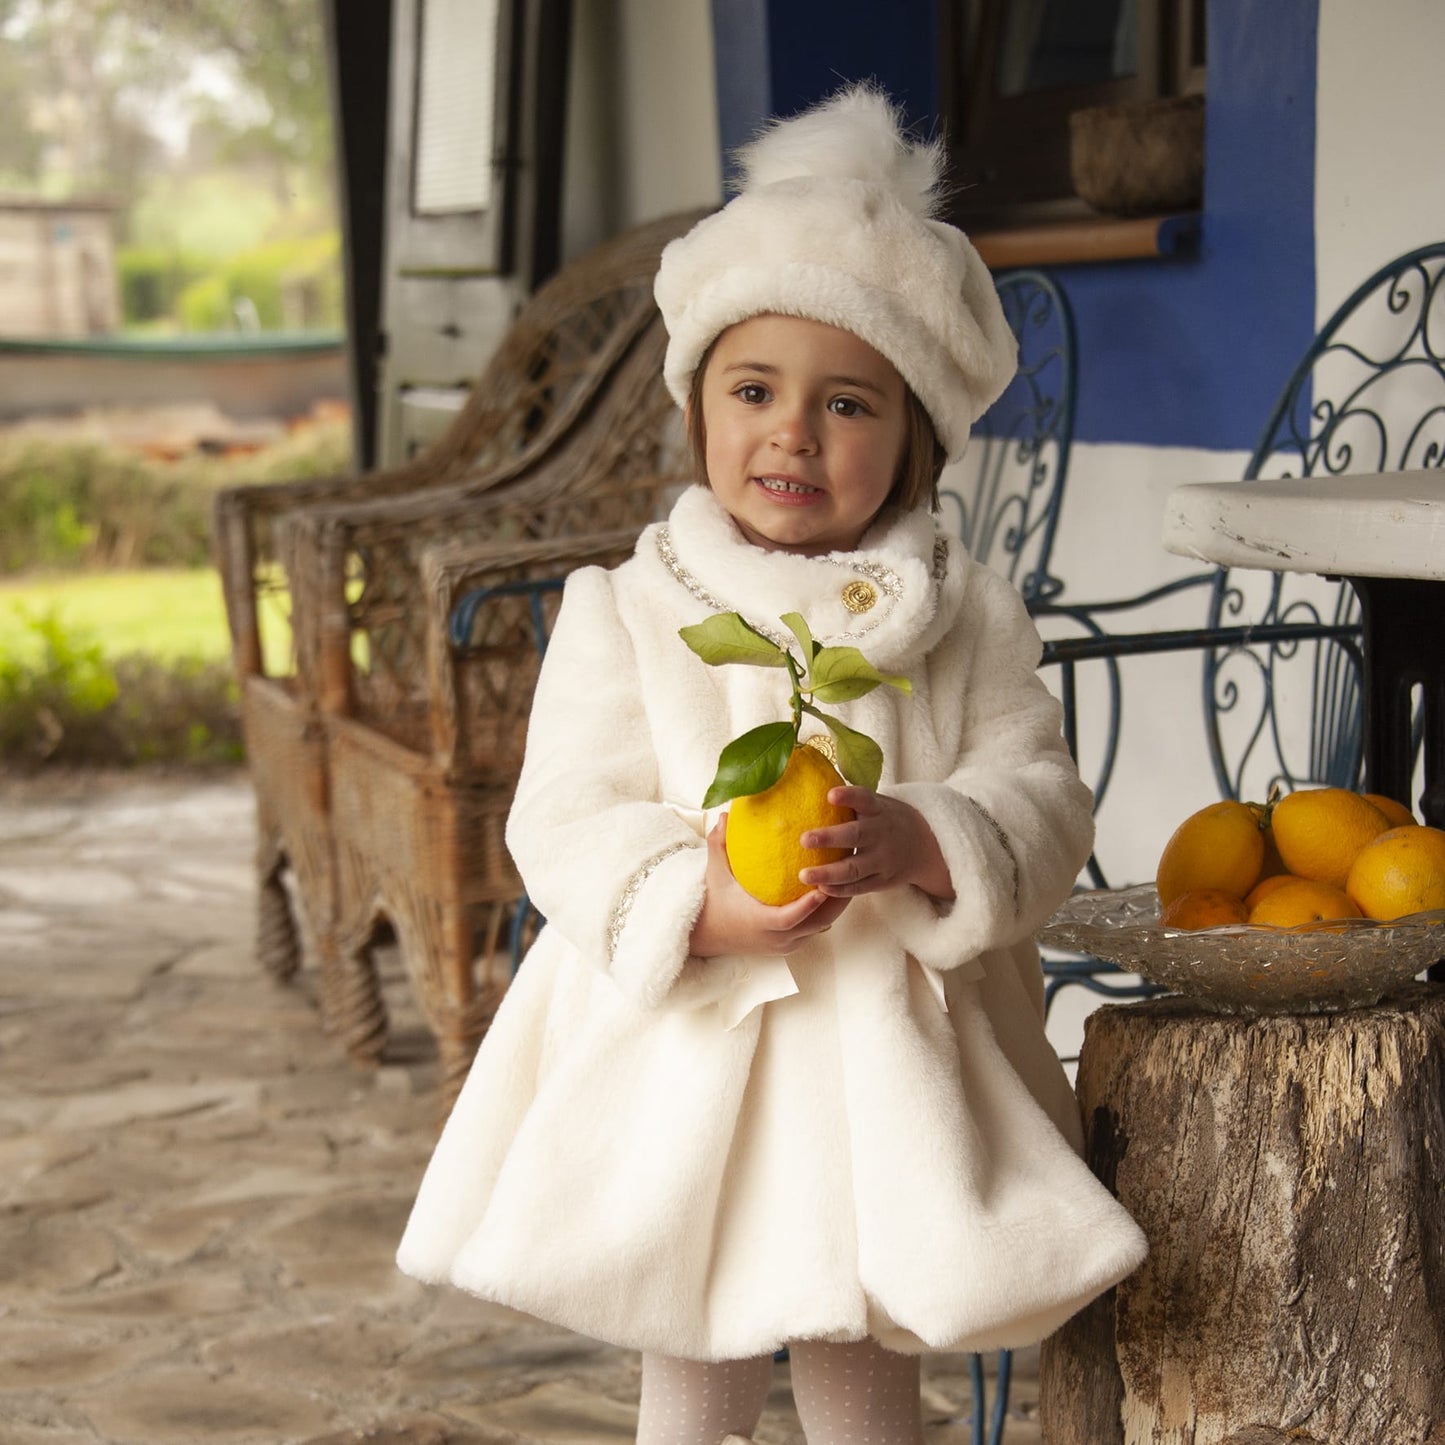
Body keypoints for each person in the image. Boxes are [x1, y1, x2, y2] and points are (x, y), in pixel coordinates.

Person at [397, 84, 1147, 1444]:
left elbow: (1037, 789)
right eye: (754, 389)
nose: (792, 432)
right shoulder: (630, 605)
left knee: (857, 1325)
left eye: (845, 402)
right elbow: (566, 810)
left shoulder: (962, 611)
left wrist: (930, 838)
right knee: (697, 1340)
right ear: (698, 408)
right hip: (692, 1048)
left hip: (888, 1058)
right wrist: (693, 901)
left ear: (911, 436)